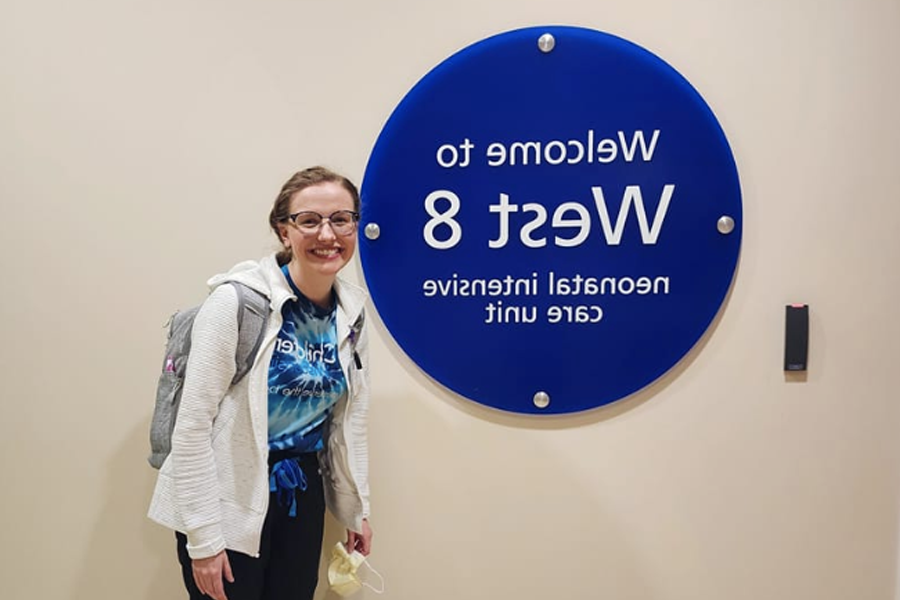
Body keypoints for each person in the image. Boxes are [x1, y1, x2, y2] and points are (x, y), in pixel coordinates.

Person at [149, 166, 373, 600]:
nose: (327, 234)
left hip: (300, 494)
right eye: (309, 220)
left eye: (341, 219)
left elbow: (349, 422)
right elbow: (193, 427)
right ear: (284, 231)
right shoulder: (236, 303)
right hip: (228, 493)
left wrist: (355, 509)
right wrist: (204, 539)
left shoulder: (351, 312)